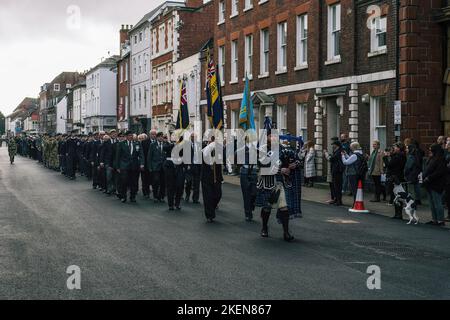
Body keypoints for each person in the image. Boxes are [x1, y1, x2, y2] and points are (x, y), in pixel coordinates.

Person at [116, 131, 145, 203]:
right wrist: (118, 167)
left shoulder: (137, 143)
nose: (131, 137)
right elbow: (118, 156)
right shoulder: (121, 144)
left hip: (134, 166)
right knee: (124, 181)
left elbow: (141, 154)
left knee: (134, 182)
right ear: (126, 136)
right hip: (124, 166)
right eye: (129, 135)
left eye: (131, 135)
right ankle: (123, 196)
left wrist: (142, 163)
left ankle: (133, 196)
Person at [423, 144, 447, 226]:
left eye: (431, 150)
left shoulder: (440, 159)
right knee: (432, 203)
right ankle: (434, 219)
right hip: (429, 183)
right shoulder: (432, 158)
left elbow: (439, 172)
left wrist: (429, 177)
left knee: (437, 202)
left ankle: (440, 220)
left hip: (436, 183)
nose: (430, 151)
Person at [201, 137, 223, 223]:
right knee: (208, 197)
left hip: (216, 177)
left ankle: (212, 208)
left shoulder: (218, 150)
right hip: (206, 177)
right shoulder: (205, 149)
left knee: (218, 195)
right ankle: (209, 215)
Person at [383, 143, 407, 219]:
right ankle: (397, 213)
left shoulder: (398, 156)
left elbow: (389, 165)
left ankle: (398, 213)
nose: (393, 148)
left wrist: (385, 158)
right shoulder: (400, 156)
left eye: (395, 147)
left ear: (398, 148)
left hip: (396, 177)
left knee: (397, 195)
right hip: (397, 176)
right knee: (396, 195)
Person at [238, 136, 258, 221]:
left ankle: (251, 206)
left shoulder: (256, 149)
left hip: (253, 172)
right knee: (246, 194)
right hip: (245, 172)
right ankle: (248, 213)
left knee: (254, 193)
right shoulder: (242, 148)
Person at [148, 132, 167, 203]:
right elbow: (149, 157)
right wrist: (150, 167)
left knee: (163, 182)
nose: (161, 138)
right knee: (156, 181)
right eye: (160, 137)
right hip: (155, 166)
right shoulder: (153, 145)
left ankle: (161, 196)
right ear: (157, 137)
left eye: (162, 137)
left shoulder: (165, 144)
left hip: (163, 167)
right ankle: (155, 196)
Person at [325, 140, 345, 206]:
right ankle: (336, 199)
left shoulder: (338, 152)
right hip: (336, 171)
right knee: (335, 186)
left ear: (337, 145)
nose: (332, 146)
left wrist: (326, 154)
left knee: (337, 186)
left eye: (333, 144)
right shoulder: (337, 151)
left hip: (337, 171)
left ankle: (339, 201)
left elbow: (331, 159)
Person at [184, 133, 202, 204]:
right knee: (188, 182)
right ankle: (187, 195)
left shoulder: (199, 145)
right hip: (189, 166)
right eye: (192, 137)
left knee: (197, 183)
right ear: (190, 137)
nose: (193, 138)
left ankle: (195, 198)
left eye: (195, 137)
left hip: (197, 166)